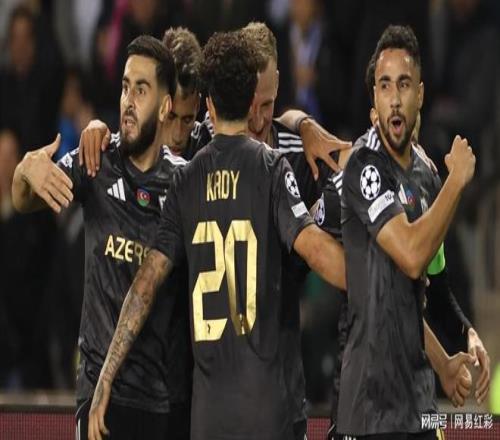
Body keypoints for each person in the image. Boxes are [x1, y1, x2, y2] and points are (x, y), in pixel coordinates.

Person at [87, 30, 346, 440]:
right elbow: (314, 248)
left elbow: (145, 283)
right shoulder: (272, 168)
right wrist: (374, 281)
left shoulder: (185, 180)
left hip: (207, 414)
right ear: (249, 101)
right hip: (266, 408)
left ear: (207, 105)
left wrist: (105, 376)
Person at [12, 35, 191, 440]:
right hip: (99, 396)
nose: (128, 101)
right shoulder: (96, 161)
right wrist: (26, 171)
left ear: (165, 106)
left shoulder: (183, 182)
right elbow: (22, 200)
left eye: (141, 90)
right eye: (125, 87)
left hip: (164, 399)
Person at [336, 25, 477, 438]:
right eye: (384, 86)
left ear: (420, 94)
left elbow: (428, 286)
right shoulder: (363, 166)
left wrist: (460, 344)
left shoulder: (426, 176)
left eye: (403, 84)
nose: (395, 98)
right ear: (374, 100)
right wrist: (456, 182)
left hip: (419, 408)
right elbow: (412, 256)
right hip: (369, 411)